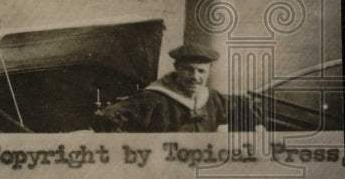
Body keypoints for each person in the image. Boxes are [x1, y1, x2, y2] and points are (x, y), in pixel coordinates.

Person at [92, 44, 261, 132]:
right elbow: (105, 119)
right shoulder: (153, 98)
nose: (195, 77)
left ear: (209, 72)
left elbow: (244, 109)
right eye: (188, 70)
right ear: (177, 68)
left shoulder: (214, 99)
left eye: (201, 71)